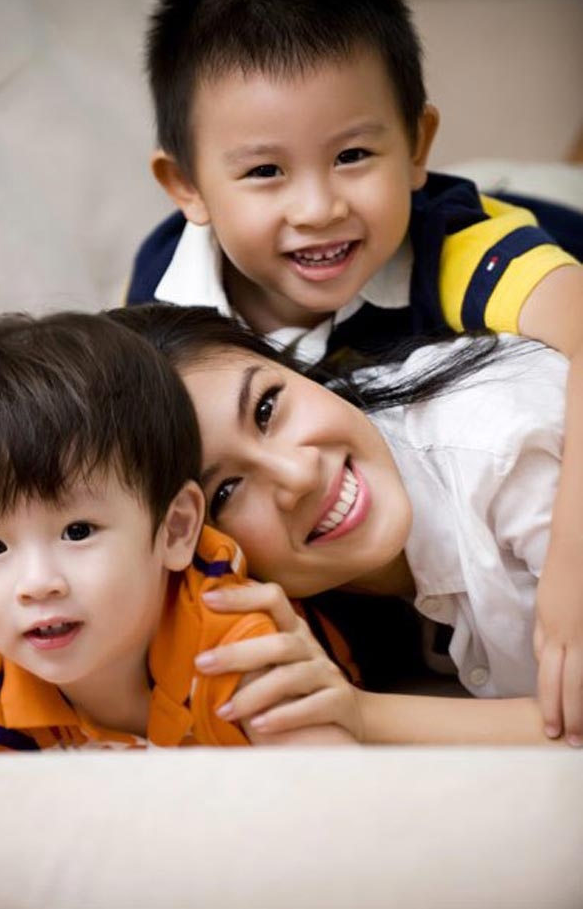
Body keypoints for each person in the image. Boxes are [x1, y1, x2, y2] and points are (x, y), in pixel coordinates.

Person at [125, 0, 583, 743]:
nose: (318, 209)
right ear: (186, 185)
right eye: (265, 171)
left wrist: (572, 569)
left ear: (417, 145)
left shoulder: (453, 242)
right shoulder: (164, 295)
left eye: (353, 155)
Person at [108, 302, 581, 747]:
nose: (298, 475)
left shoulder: (502, 451)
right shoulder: (316, 614)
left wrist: (363, 714)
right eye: (226, 492)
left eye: (266, 409)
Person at [0, 310, 352, 753]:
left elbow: (327, 786)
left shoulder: (236, 646)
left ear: (176, 529)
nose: (36, 584)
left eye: (77, 531)